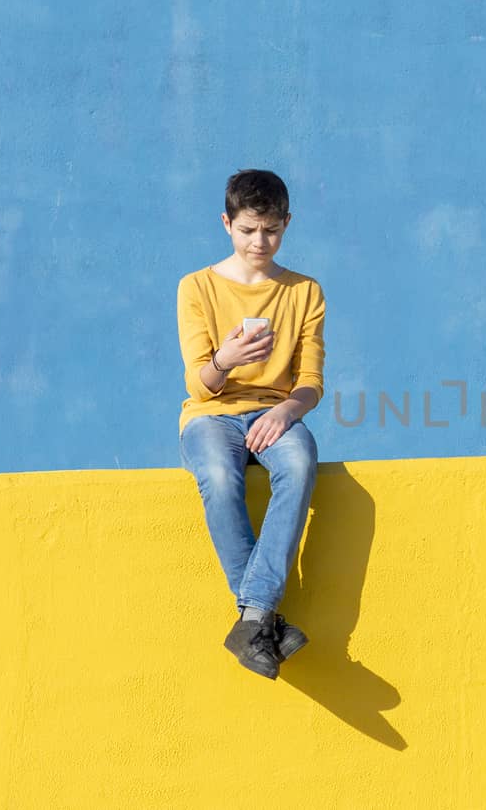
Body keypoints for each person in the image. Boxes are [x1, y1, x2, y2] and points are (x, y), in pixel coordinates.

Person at [176, 169, 325, 679]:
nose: (259, 241)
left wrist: (286, 410)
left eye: (271, 230)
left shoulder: (305, 292)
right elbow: (199, 384)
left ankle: (252, 618)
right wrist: (227, 358)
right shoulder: (196, 287)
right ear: (227, 224)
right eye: (247, 230)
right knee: (218, 476)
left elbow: (310, 382)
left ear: (286, 224)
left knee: (301, 461)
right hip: (211, 414)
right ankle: (262, 616)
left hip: (275, 411)